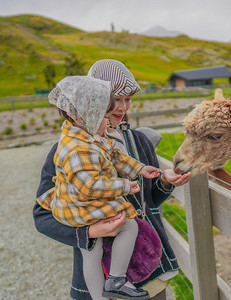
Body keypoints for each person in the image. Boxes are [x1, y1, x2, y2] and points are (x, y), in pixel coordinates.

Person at [34, 59, 191, 300]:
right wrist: (90, 231)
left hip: (146, 275)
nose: (122, 107)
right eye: (115, 99)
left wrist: (166, 181)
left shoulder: (139, 141)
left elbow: (150, 200)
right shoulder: (64, 150)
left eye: (128, 100)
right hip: (96, 276)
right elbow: (43, 216)